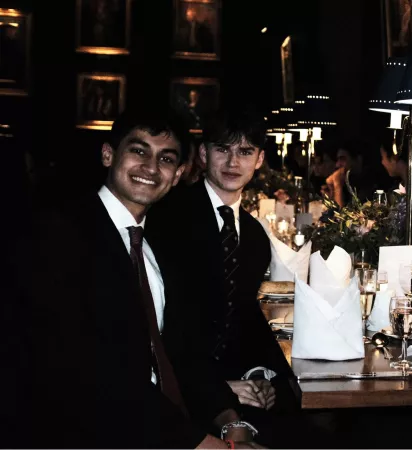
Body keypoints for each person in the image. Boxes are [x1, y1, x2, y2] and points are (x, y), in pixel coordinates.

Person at [21, 108, 259, 448]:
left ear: (177, 175)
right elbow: (85, 372)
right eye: (138, 150)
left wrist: (230, 422)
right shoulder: (58, 235)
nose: (150, 167)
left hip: (170, 422)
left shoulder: (159, 244)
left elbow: (182, 351)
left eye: (165, 158)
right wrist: (201, 444)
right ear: (108, 154)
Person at [146, 109, 298, 447]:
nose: (233, 161)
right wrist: (222, 392)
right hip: (179, 393)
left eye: (245, 152)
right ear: (203, 154)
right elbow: (173, 328)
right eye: (222, 149)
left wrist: (265, 378)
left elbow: (243, 318)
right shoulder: (167, 217)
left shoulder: (256, 236)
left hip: (232, 386)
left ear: (259, 159)